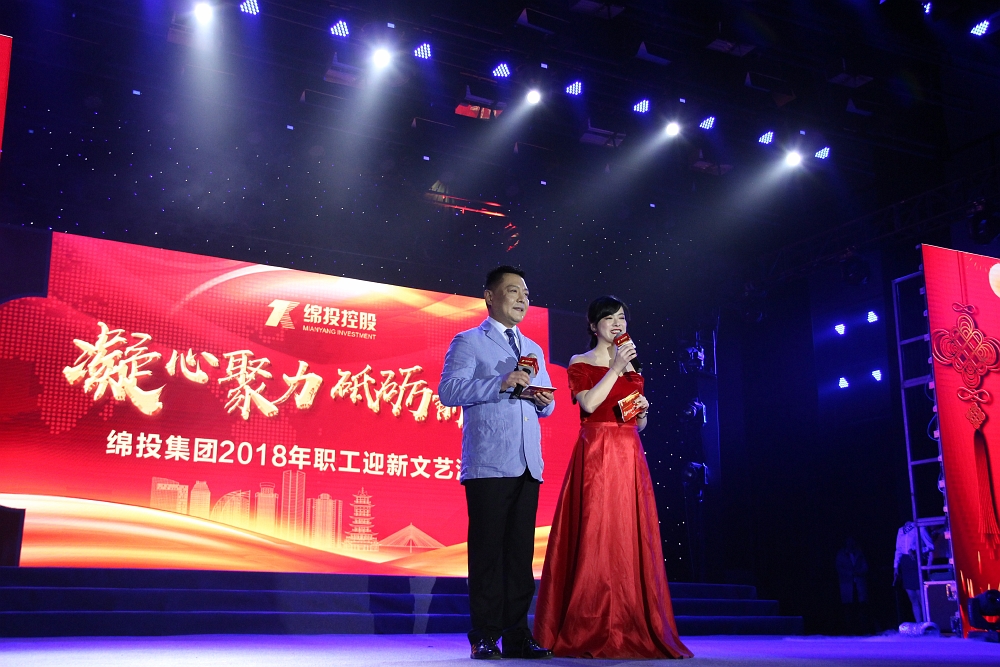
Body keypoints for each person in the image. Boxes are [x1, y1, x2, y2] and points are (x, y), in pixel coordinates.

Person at [533, 296, 693, 659]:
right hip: (597, 451)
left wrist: (643, 411)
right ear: (593, 326)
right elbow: (589, 404)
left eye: (621, 318)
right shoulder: (581, 361)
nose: (617, 323)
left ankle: (630, 621)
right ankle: (589, 622)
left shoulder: (633, 368)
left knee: (627, 536)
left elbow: (637, 423)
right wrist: (615, 368)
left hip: (629, 453)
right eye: (609, 318)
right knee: (595, 532)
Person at [439, 265, 556, 660]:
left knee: (520, 557)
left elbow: (547, 405)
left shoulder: (533, 348)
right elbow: (449, 390)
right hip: (489, 464)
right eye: (514, 291)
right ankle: (485, 635)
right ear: (490, 296)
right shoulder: (469, 341)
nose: (523, 299)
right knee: (488, 553)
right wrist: (500, 383)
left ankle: (518, 635)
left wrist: (544, 400)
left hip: (527, 463)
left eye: (526, 293)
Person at [894, 521, 933, 623]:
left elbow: (931, 546)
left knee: (922, 599)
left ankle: (926, 624)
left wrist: (917, 550)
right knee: (913, 599)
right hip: (906, 564)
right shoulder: (901, 530)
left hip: (917, 562)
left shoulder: (920, 528)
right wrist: (896, 567)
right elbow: (898, 550)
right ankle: (919, 625)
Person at [835, 537, 870, 634]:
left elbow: (865, 566)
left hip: (859, 584)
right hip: (847, 585)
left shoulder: (859, 553)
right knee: (848, 608)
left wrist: (858, 572)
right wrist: (850, 573)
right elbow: (839, 568)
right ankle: (850, 631)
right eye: (848, 541)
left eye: (852, 541)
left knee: (862, 607)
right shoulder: (841, 554)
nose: (850, 543)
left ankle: (863, 630)